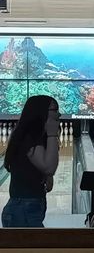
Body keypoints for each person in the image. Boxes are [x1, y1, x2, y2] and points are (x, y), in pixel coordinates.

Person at [1, 95, 60, 227]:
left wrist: (47, 176)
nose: (59, 114)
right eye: (54, 110)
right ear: (41, 112)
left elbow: (46, 169)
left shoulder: (31, 136)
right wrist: (52, 134)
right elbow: (49, 167)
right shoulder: (29, 138)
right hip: (22, 210)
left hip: (25, 208)